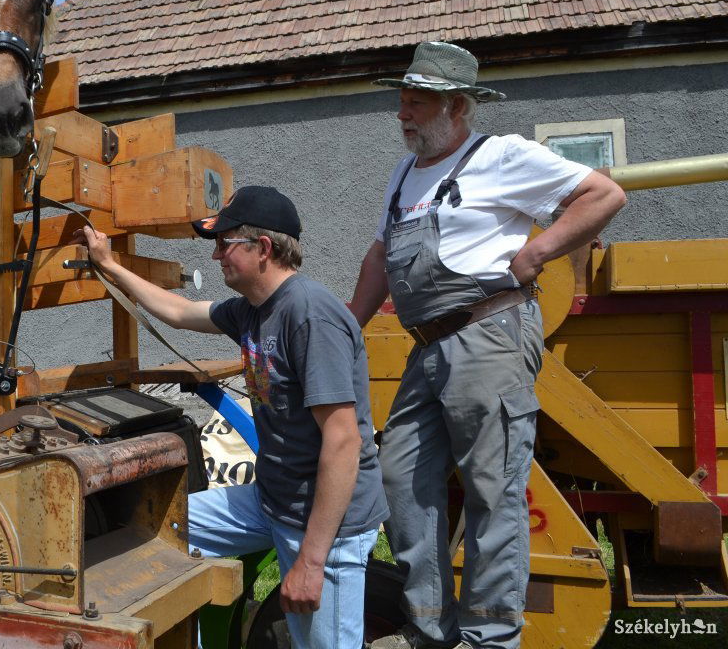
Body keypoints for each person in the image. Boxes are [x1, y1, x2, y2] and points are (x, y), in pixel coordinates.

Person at [353, 42, 626, 649]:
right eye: (401, 99)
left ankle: (490, 637)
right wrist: (352, 319)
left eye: (415, 101)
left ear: (456, 106)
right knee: (401, 475)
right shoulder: (403, 173)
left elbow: (603, 194)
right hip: (428, 346)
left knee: (491, 490)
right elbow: (380, 254)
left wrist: (534, 253)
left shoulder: (501, 156)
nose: (403, 112)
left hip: (488, 334)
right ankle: (429, 629)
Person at [76, 186, 388, 649]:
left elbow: (344, 443)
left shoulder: (309, 315)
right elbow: (178, 312)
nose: (217, 255)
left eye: (225, 243)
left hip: (326, 522)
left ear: (262, 248)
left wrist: (312, 561)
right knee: (162, 527)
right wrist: (110, 265)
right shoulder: (251, 310)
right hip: (273, 500)